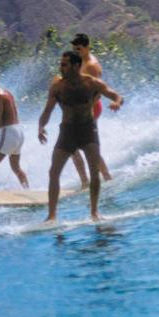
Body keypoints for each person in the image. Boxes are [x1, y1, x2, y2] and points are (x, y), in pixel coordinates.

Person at [38, 51, 123, 221]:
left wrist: (116, 103)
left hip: (87, 130)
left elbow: (116, 95)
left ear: (76, 66)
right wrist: (41, 126)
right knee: (54, 172)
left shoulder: (90, 83)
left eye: (64, 64)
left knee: (94, 171)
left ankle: (94, 212)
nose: (60, 68)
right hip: (67, 131)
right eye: (61, 64)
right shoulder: (58, 87)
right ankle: (51, 215)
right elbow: (48, 110)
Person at [68, 33, 116, 183]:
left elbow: (99, 91)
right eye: (74, 49)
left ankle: (100, 178)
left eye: (79, 48)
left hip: (91, 108)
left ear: (87, 47)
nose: (76, 51)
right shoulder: (80, 61)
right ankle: (94, 179)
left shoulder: (92, 66)